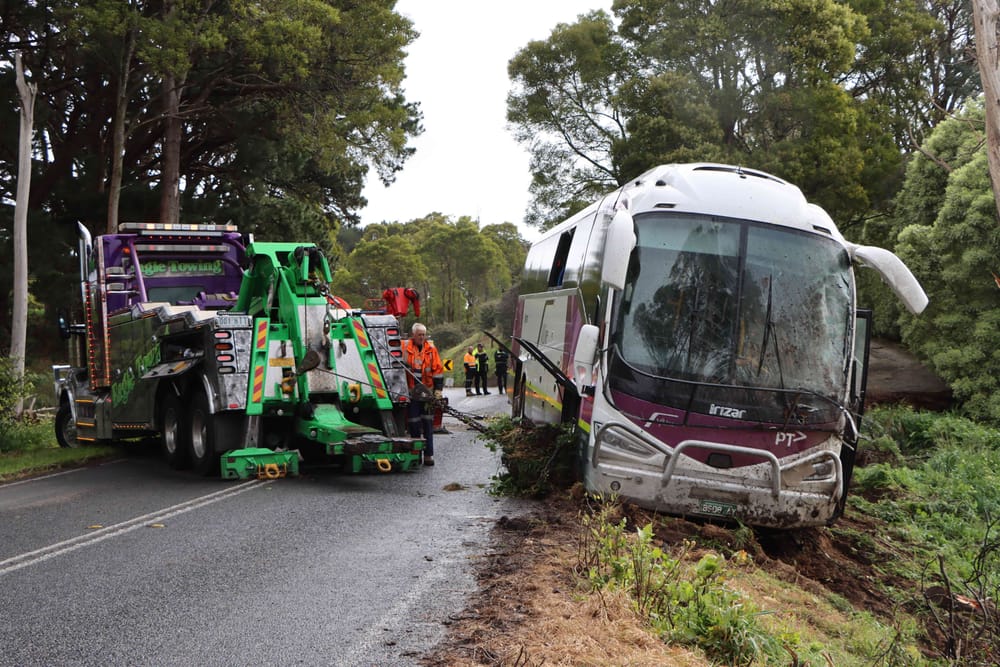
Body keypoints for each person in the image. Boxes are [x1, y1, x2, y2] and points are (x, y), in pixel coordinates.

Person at [402, 322, 444, 466]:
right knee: (414, 424)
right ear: (413, 335)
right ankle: (415, 455)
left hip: (427, 395)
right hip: (412, 394)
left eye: (423, 335)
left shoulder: (431, 350)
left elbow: (438, 370)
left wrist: (438, 391)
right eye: (419, 334)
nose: (422, 337)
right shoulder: (405, 348)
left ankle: (428, 455)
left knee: (427, 424)